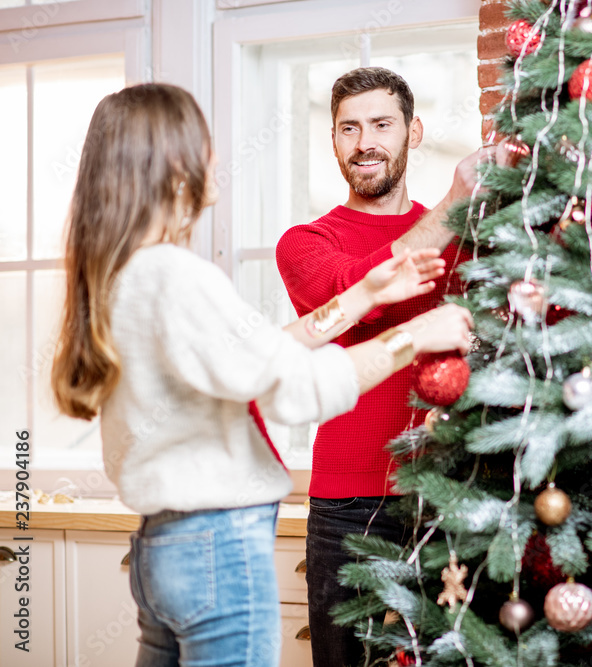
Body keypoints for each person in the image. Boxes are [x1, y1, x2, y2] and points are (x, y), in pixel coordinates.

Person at [50, 82, 473, 667]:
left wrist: (361, 297)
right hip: (215, 547)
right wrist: (414, 336)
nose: (216, 155)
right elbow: (297, 388)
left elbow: (257, 355)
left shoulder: (129, 274)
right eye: (203, 141)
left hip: (163, 547)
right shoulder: (177, 276)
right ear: (172, 162)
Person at [274, 67, 490, 666]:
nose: (364, 141)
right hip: (349, 505)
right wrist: (454, 200)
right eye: (348, 128)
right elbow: (351, 292)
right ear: (335, 142)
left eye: (381, 124)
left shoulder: (461, 239)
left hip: (446, 494)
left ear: (412, 132)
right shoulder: (306, 242)